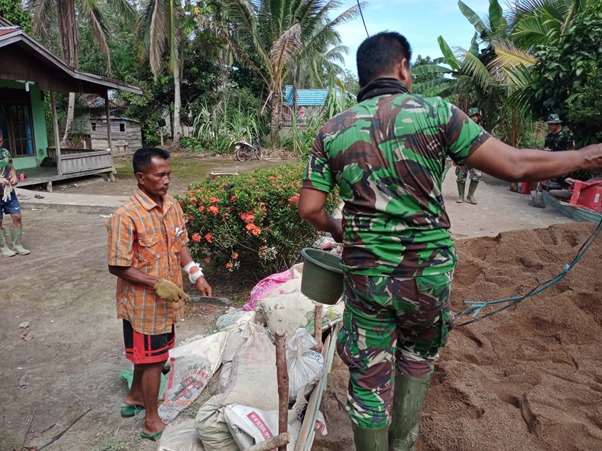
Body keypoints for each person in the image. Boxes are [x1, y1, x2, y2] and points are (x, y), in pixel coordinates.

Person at [298, 31, 602, 451]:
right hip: (427, 278)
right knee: (417, 358)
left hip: (367, 277)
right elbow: (514, 165)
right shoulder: (437, 112)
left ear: (362, 76)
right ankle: (403, 443)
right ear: (403, 67)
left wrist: (340, 230)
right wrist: (587, 157)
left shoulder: (333, 130)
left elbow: (310, 209)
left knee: (368, 378)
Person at [107, 147, 212, 441]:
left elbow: (180, 245)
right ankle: (152, 422)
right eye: (159, 175)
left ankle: (134, 397)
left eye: (168, 174)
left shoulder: (171, 206)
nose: (166, 180)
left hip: (169, 301)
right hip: (144, 304)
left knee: (153, 354)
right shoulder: (125, 216)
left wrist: (195, 274)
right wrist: (156, 284)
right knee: (153, 360)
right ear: (141, 177)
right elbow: (117, 266)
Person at [0, 130, 29, 257]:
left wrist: (14, 177)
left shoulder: (5, 153)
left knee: (17, 216)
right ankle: (3, 247)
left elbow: (11, 168)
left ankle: (17, 245)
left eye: (0, 141)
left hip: (8, 192)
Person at [455, 107, 483, 204]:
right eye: (472, 116)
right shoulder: (462, 128)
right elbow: (456, 142)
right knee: (461, 176)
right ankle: (461, 196)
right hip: (463, 156)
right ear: (468, 117)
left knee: (477, 175)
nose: (475, 118)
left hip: (476, 157)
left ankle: (470, 196)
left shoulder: (480, 129)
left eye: (476, 116)